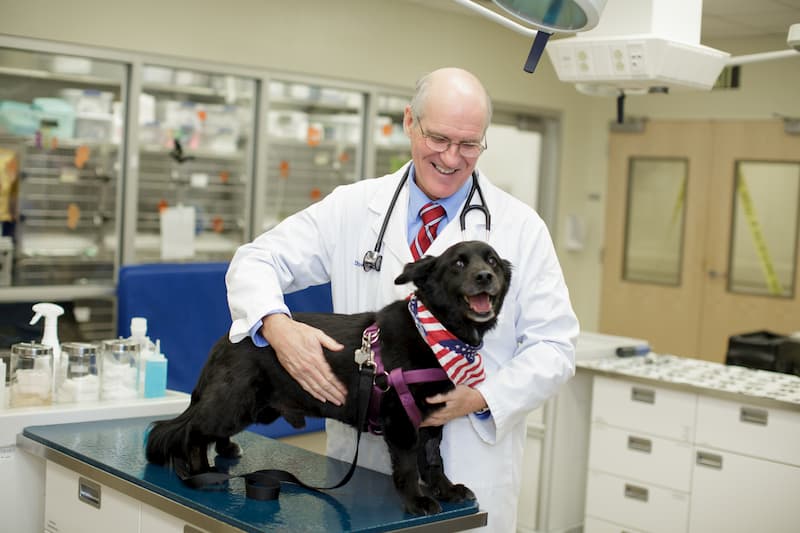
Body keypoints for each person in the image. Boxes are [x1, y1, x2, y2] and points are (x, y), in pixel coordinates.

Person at [226, 67, 578, 531]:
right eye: (439, 138)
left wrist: (480, 397)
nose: (452, 158)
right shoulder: (353, 207)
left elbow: (555, 347)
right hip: (364, 463)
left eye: (469, 144)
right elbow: (256, 260)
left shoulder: (520, 228)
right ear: (409, 121)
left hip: (471, 464)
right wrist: (277, 326)